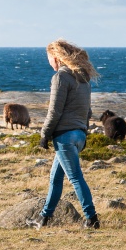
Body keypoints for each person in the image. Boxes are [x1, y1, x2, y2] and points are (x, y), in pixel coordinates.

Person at [29, 39, 101, 230]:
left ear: (56, 57)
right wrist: (83, 131)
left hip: (64, 136)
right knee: (55, 178)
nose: (49, 63)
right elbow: (88, 112)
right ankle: (44, 218)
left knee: (75, 178)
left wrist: (44, 135)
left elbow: (54, 111)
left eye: (49, 59)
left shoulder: (61, 77)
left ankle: (91, 218)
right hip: (79, 134)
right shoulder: (83, 78)